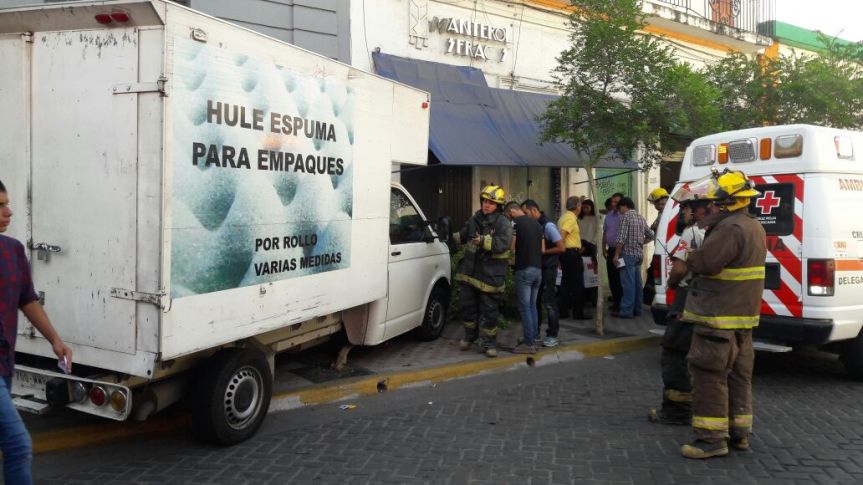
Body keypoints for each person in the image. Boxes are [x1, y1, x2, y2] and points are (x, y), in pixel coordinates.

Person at [679, 169, 766, 459]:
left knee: (709, 375)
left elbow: (707, 263)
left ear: (728, 203)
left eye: (715, 203)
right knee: (738, 377)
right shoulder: (753, 226)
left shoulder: (730, 228)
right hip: (741, 318)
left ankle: (711, 439)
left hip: (719, 317)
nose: (710, 206)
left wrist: (689, 256)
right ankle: (739, 433)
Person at [0, 179, 73, 484]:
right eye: (0, 206)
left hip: (5, 364)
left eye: (7, 203)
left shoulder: (13, 251)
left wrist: (55, 340)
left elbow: (27, 299)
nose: (10, 211)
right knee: (18, 445)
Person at [648, 190, 712, 426]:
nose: (683, 212)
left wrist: (672, 282)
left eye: (685, 208)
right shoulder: (718, 231)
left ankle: (677, 411)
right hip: (710, 299)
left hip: (688, 296)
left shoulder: (691, 232)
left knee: (674, 351)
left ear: (697, 209)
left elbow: (679, 268)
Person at [454, 185, 513, 358]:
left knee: (489, 311)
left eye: (491, 203)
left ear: (498, 206)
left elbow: (503, 244)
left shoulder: (503, 223)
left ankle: (489, 343)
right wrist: (451, 237)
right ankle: (469, 337)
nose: (486, 205)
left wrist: (484, 241)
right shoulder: (475, 218)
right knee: (467, 307)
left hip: (490, 275)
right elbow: (465, 235)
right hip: (470, 273)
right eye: (485, 201)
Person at [522, 200, 565, 347]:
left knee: (549, 302)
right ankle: (535, 333)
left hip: (548, 270)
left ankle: (553, 334)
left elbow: (561, 247)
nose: (525, 217)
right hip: (538, 270)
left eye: (526, 213)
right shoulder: (534, 226)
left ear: (534, 210)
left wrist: (544, 252)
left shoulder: (548, 226)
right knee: (535, 303)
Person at [504, 202, 544, 354]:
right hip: (538, 270)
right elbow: (542, 248)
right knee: (532, 306)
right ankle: (533, 337)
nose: (508, 219)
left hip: (524, 270)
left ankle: (528, 344)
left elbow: (512, 246)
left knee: (524, 307)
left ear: (512, 212)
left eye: (508, 216)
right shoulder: (536, 223)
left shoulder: (515, 223)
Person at [611, 197, 654, 319]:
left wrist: (616, 255)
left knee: (628, 284)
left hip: (627, 255)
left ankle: (626, 311)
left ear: (624, 206)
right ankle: (637, 310)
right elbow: (651, 235)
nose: (619, 211)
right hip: (639, 255)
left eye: (619, 208)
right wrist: (641, 242)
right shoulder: (640, 217)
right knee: (637, 284)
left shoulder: (625, 217)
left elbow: (621, 239)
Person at [557, 196, 588, 320]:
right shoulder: (570, 218)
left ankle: (563, 311)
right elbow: (562, 234)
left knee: (565, 283)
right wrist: (561, 249)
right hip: (570, 253)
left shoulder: (564, 217)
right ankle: (578, 313)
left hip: (566, 253)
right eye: (580, 205)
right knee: (577, 284)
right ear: (578, 206)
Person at [644, 188, 670, 305]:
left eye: (660, 203)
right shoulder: (662, 214)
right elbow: (652, 233)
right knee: (652, 274)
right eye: (657, 204)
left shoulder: (667, 214)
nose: (658, 206)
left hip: (665, 252)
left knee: (653, 275)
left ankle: (647, 299)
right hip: (660, 250)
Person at [601, 193, 624, 313]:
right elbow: (605, 232)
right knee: (612, 277)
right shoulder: (609, 215)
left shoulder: (624, 216)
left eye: (616, 202)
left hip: (621, 251)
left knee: (620, 278)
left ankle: (622, 304)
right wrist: (603, 247)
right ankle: (616, 302)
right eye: (612, 202)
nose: (613, 204)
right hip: (610, 249)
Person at [578, 199, 600, 307]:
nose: (585, 210)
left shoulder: (596, 218)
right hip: (580, 246)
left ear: (592, 207)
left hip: (591, 246)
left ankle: (592, 295)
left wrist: (591, 243)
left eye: (587, 207)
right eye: (583, 208)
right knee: (582, 270)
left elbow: (598, 233)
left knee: (592, 271)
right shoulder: (579, 218)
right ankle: (583, 295)